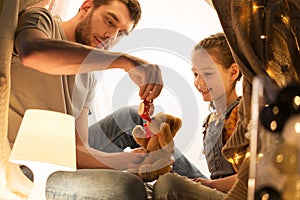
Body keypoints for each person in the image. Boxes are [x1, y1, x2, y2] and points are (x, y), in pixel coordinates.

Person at [9, 0, 163, 199]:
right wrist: (124, 61)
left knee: (133, 117)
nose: (112, 36)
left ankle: (201, 186)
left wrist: (130, 160)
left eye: (121, 33)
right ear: (86, 7)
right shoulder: (43, 20)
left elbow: (78, 150)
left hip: (57, 157)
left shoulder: (88, 76)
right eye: (109, 21)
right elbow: (33, 53)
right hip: (21, 166)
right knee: (128, 187)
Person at [152, 32, 242, 200]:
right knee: (161, 172)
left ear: (233, 72)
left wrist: (210, 185)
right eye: (195, 74)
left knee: (168, 184)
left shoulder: (240, 114)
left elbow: (250, 177)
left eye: (208, 74)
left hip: (236, 195)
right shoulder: (210, 120)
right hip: (216, 190)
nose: (199, 82)